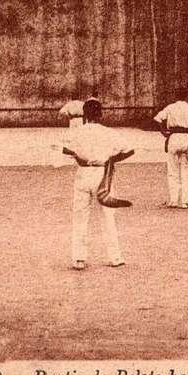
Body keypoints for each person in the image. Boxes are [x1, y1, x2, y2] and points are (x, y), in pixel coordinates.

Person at [61, 98, 133, 270]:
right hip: (103, 173)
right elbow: (129, 150)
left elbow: (64, 149)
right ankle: (115, 257)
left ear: (84, 115)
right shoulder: (109, 132)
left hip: (84, 172)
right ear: (100, 115)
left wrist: (78, 157)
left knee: (80, 216)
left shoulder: (77, 132)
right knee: (108, 216)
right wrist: (111, 159)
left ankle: (79, 258)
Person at [153, 92, 188, 209]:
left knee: (172, 171)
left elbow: (157, 119)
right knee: (186, 170)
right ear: (187, 97)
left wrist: (163, 131)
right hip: (187, 138)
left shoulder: (170, 107)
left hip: (173, 137)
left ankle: (173, 201)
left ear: (175, 97)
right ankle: (186, 202)